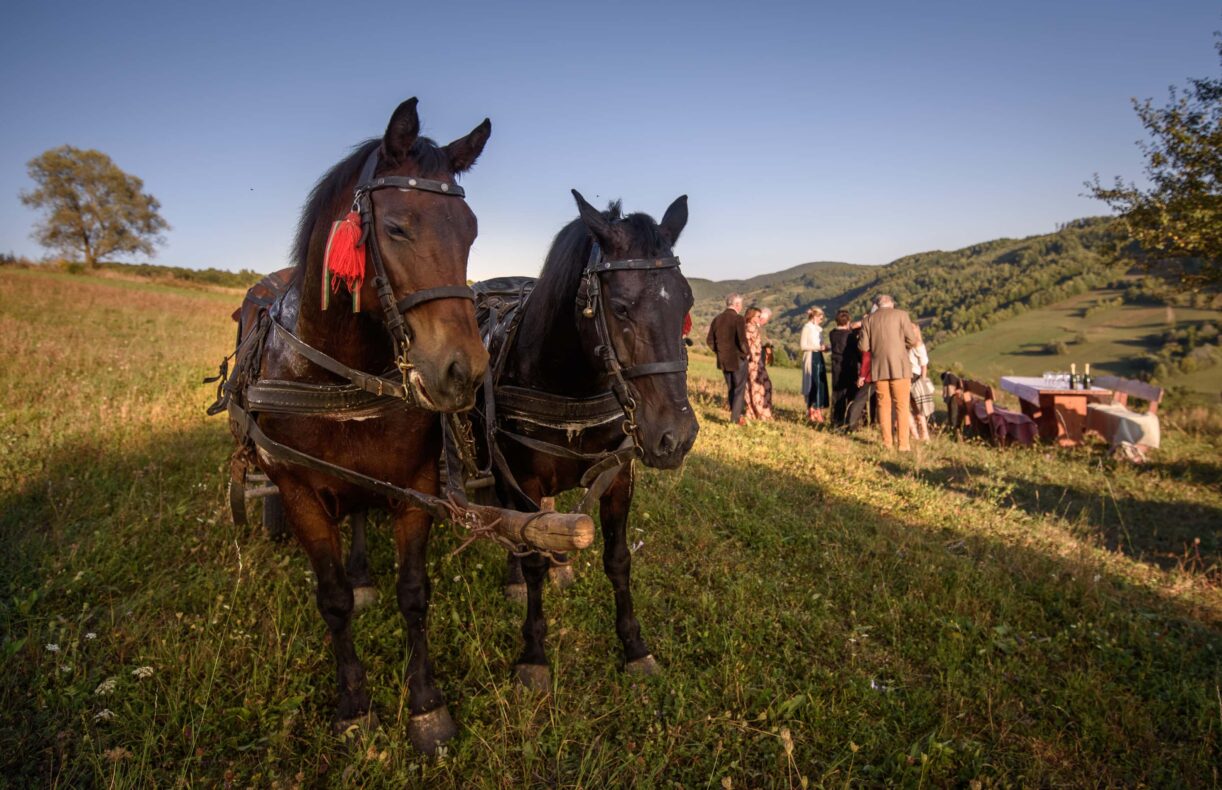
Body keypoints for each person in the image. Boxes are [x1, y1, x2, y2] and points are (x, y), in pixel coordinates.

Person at [858, 295, 921, 450]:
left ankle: (887, 443)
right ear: (891, 304)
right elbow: (912, 340)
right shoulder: (902, 315)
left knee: (883, 406)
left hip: (879, 368)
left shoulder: (868, 320)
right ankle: (903, 445)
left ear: (877, 305)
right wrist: (902, 347)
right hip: (900, 366)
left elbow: (863, 346)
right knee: (902, 405)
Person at [706, 293, 749, 425]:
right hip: (738, 359)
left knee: (731, 388)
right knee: (739, 389)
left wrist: (720, 352)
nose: (741, 307)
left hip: (723, 359)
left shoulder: (717, 319)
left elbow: (709, 341)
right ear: (736, 305)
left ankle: (735, 415)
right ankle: (735, 419)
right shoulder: (738, 319)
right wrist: (746, 353)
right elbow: (742, 341)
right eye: (740, 304)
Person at [827, 310, 860, 427]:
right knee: (852, 394)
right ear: (848, 321)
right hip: (849, 366)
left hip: (836, 366)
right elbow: (857, 351)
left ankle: (836, 420)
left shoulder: (832, 333)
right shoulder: (850, 336)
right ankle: (852, 421)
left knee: (837, 394)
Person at [799, 307, 830, 423]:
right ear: (815, 317)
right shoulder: (807, 328)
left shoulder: (817, 329)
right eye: (820, 318)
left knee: (820, 384)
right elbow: (803, 346)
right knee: (813, 383)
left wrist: (825, 348)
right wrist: (818, 348)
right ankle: (812, 410)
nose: (821, 321)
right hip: (811, 357)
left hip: (819, 357)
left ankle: (818, 409)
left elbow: (820, 344)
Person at [744, 307, 774, 421]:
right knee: (757, 388)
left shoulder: (754, 328)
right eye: (758, 317)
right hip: (753, 363)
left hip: (756, 363)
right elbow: (749, 347)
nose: (759, 319)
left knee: (762, 387)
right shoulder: (749, 329)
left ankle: (757, 412)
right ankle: (758, 412)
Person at [908, 341, 933, 441]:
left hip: (905, 376)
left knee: (905, 408)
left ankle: (915, 434)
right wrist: (923, 381)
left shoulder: (902, 342)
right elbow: (924, 365)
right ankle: (924, 435)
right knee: (918, 409)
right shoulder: (919, 345)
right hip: (916, 377)